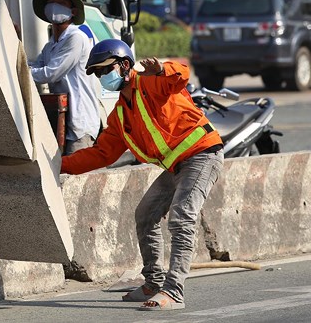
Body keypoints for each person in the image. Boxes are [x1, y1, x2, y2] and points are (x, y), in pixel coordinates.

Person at [60, 39, 224, 311]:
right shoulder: (121, 115)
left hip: (202, 155)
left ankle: (174, 291)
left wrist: (161, 70)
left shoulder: (150, 82)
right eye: (98, 74)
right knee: (145, 215)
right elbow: (102, 154)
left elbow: (180, 75)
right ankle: (153, 282)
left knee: (182, 217)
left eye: (105, 70)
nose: (103, 77)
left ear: (125, 65)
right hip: (176, 166)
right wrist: (60, 165)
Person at [29, 0, 100, 155]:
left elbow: (51, 73)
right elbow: (36, 66)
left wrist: (20, 73)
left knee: (77, 177)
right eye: (51, 2)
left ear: (73, 12)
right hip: (63, 119)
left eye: (60, 3)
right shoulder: (50, 46)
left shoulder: (76, 38)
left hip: (79, 124)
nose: (54, 6)